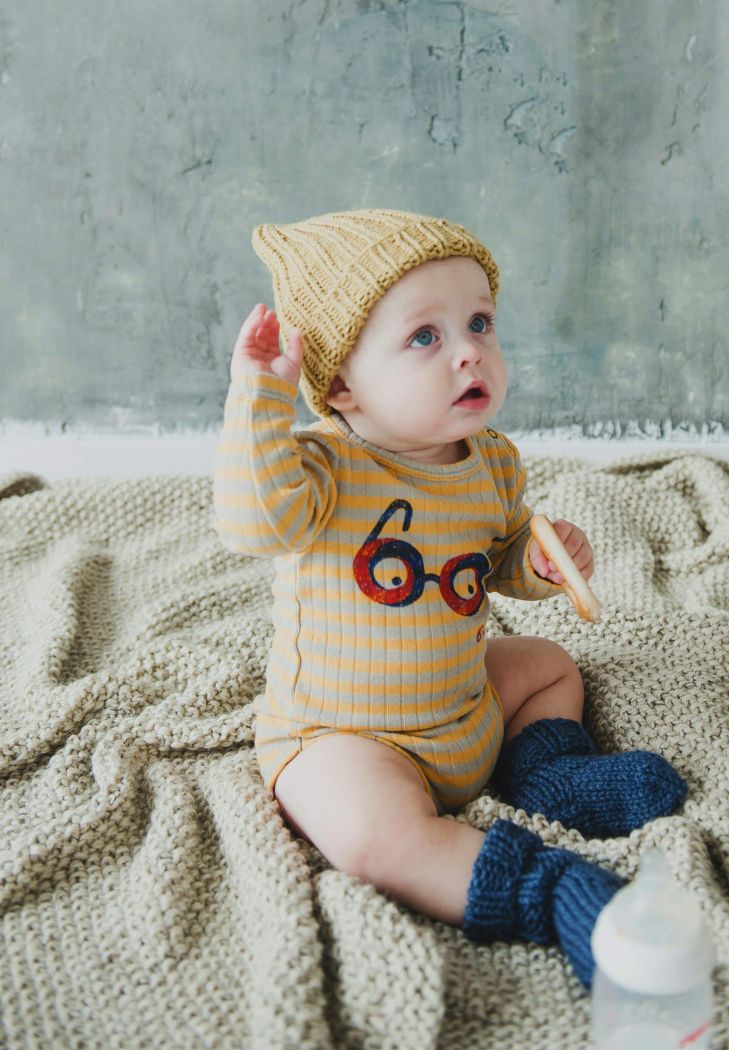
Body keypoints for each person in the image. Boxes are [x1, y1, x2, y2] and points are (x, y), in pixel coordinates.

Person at [214, 209, 687, 988]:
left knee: (548, 664)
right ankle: (546, 890)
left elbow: (496, 560)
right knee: (373, 840)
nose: (469, 351)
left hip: (464, 707)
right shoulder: (322, 467)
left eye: (479, 323)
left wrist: (537, 562)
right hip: (345, 735)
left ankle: (547, 773)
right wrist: (260, 403)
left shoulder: (491, 463)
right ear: (340, 384)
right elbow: (254, 521)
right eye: (424, 337)